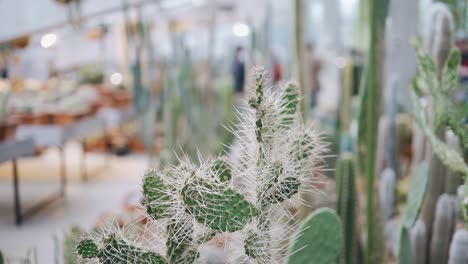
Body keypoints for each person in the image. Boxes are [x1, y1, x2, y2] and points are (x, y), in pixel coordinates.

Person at [306, 43, 322, 109]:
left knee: (311, 104)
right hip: (311, 84)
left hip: (311, 85)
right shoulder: (313, 58)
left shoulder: (308, 58)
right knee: (311, 104)